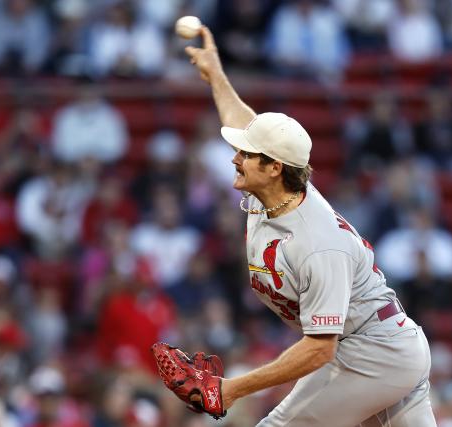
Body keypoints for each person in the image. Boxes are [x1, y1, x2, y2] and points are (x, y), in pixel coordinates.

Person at [182, 26, 436, 426]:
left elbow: (319, 350)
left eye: (246, 155)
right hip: (378, 345)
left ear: (274, 167)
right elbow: (244, 120)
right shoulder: (274, 190)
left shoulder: (318, 243)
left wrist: (231, 388)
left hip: (372, 351)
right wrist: (216, 75)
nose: (235, 158)